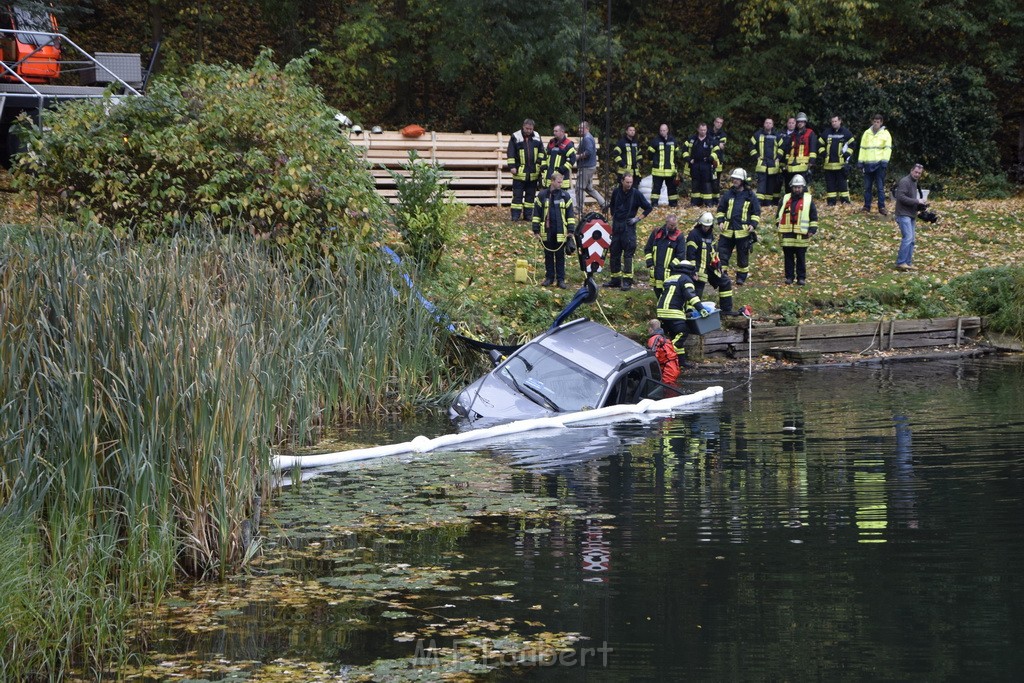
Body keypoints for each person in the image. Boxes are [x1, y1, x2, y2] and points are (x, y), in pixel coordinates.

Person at [604, 173, 653, 291]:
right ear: (622, 181)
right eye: (627, 182)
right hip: (616, 226)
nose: (629, 185)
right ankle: (615, 279)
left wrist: (637, 218)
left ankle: (627, 280)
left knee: (628, 254)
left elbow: (648, 207)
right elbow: (612, 205)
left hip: (628, 227)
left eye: (631, 182)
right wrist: (613, 218)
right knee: (614, 253)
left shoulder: (636, 194)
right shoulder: (616, 192)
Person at [715, 168, 761, 285]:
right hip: (727, 230)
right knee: (722, 254)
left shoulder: (750, 195)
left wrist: (753, 225)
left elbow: (756, 212)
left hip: (743, 231)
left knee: (742, 256)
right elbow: (720, 210)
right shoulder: (728, 194)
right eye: (734, 178)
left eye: (737, 179)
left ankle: (741, 277)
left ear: (743, 180)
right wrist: (720, 221)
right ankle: (723, 274)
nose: (734, 181)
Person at [531, 172, 576, 289]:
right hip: (546, 231)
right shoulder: (542, 195)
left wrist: (571, 230)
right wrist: (536, 231)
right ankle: (549, 278)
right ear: (552, 181)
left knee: (560, 256)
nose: (560, 184)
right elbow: (537, 214)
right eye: (558, 182)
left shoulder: (565, 196)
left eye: (561, 182)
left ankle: (561, 280)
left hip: (561, 232)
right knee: (548, 255)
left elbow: (570, 215)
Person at [656, 259, 706, 364]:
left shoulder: (670, 278)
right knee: (683, 332)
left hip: (661, 311)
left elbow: (678, 296)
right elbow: (690, 295)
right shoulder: (686, 279)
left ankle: (681, 362)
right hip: (673, 312)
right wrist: (701, 309)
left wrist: (688, 310)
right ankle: (662, 353)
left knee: (675, 336)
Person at [686, 211, 736, 315]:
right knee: (696, 293)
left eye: (708, 226)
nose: (706, 228)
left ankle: (726, 310)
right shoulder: (694, 234)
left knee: (725, 281)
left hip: (710, 267)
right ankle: (690, 313)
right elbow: (690, 254)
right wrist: (692, 271)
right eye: (704, 226)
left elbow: (714, 251)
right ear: (700, 224)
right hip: (698, 270)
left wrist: (718, 264)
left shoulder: (710, 234)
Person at [776, 174, 819, 285]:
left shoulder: (808, 199)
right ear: (792, 187)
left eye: (799, 187)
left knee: (801, 258)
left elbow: (813, 216)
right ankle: (789, 277)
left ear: (803, 187)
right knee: (788, 258)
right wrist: (778, 225)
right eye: (795, 187)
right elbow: (778, 214)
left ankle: (801, 278)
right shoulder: (785, 198)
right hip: (787, 233)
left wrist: (812, 229)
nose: (797, 189)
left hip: (802, 234)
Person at [506, 118, 546, 221]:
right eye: (527, 128)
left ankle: (528, 216)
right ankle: (515, 216)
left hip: (533, 172)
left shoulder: (537, 136)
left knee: (530, 196)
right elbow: (511, 152)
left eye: (530, 129)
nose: (528, 130)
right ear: (523, 126)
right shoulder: (516, 136)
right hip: (519, 171)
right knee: (517, 196)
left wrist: (538, 163)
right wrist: (512, 167)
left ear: (533, 128)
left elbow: (542, 151)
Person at [894, 163, 928, 271]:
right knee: (908, 238)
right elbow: (900, 197)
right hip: (903, 214)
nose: (917, 174)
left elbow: (910, 199)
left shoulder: (915, 182)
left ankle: (908, 263)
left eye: (919, 173)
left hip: (911, 213)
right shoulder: (905, 181)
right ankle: (901, 262)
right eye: (916, 172)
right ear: (911, 170)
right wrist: (917, 201)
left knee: (912, 240)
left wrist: (921, 205)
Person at [643, 214, 686, 299]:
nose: (673, 227)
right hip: (656, 271)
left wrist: (671, 266)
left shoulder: (679, 236)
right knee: (658, 293)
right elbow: (648, 249)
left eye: (674, 225)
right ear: (666, 223)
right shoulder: (657, 233)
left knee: (669, 295)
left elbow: (681, 255)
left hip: (669, 272)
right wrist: (650, 263)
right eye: (671, 225)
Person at [858, 113, 893, 215]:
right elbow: (863, 149)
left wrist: (885, 161)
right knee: (867, 187)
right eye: (875, 121)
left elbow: (888, 148)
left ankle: (881, 207)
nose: (876, 123)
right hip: (868, 164)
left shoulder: (885, 134)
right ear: (872, 122)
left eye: (878, 122)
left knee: (880, 188)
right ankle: (866, 206)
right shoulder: (866, 133)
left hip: (879, 164)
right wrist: (860, 162)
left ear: (881, 123)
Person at [819, 115, 855, 206]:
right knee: (830, 185)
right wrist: (823, 153)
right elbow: (819, 144)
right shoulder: (826, 133)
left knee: (842, 185)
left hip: (841, 165)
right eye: (832, 122)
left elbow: (853, 144)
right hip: (828, 165)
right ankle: (831, 202)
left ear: (840, 121)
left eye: (835, 121)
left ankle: (845, 202)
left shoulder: (846, 133)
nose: (834, 123)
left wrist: (847, 154)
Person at [683, 122, 719, 207]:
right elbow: (684, 150)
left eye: (705, 130)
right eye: (701, 130)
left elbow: (717, 151)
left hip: (706, 165)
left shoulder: (710, 140)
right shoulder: (692, 140)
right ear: (698, 130)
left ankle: (708, 202)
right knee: (695, 183)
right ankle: (695, 202)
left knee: (707, 183)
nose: (703, 132)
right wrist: (688, 159)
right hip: (695, 164)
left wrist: (711, 158)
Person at [750, 117, 784, 206]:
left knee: (770, 185)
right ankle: (758, 204)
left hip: (773, 165)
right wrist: (756, 157)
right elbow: (751, 146)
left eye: (770, 123)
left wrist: (778, 157)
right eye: (766, 123)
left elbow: (782, 147)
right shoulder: (757, 135)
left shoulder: (777, 135)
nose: (768, 124)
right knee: (761, 185)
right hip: (762, 164)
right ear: (764, 124)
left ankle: (768, 204)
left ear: (772, 125)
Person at [576, 121, 605, 211]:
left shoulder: (587, 138)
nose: (579, 130)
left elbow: (588, 152)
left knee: (579, 187)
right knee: (589, 188)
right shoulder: (588, 137)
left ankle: (578, 209)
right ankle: (603, 203)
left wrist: (578, 156)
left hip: (586, 167)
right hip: (590, 167)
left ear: (587, 128)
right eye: (579, 128)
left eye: (582, 128)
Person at [782, 112, 817, 189]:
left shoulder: (810, 133)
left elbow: (813, 149)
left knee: (803, 187)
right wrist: (786, 162)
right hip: (791, 166)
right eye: (798, 122)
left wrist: (811, 162)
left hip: (803, 166)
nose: (800, 123)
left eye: (802, 121)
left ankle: (804, 201)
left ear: (805, 122)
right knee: (791, 187)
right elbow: (788, 150)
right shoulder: (793, 135)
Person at [648, 123, 679, 206]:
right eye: (661, 130)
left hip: (670, 171)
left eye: (664, 130)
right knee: (656, 189)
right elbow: (650, 154)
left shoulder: (673, 140)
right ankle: (654, 204)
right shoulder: (655, 141)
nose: (662, 132)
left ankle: (673, 204)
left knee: (672, 189)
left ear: (667, 130)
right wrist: (655, 162)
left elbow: (677, 155)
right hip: (658, 171)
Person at [647, 319, 680, 386]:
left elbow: (652, 355)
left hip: (667, 369)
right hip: (674, 366)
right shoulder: (664, 338)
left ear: (650, 329)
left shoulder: (654, 339)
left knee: (667, 389)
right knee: (672, 386)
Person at [545, 123, 576, 191]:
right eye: (554, 131)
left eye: (556, 131)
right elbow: (546, 156)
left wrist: (562, 169)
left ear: (562, 132)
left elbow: (572, 159)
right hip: (550, 176)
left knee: (560, 199)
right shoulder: (551, 142)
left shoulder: (568, 144)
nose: (554, 133)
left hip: (562, 178)